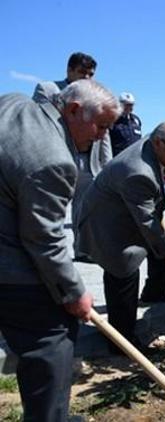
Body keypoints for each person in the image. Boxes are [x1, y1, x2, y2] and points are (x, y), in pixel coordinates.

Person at [0, 79, 118, 420]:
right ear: (73, 110)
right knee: (51, 338)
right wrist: (74, 292)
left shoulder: (13, 103)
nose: (101, 136)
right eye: (101, 126)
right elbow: (44, 240)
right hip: (9, 267)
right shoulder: (54, 160)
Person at [77, 122, 165, 354]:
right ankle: (122, 342)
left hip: (133, 210)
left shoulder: (157, 152)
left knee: (161, 241)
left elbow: (151, 215)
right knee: (124, 269)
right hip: (108, 224)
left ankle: (155, 292)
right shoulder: (138, 171)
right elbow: (147, 222)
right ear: (159, 143)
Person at [33, 51, 113, 262]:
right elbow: (41, 122)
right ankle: (48, 254)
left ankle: (83, 250)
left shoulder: (97, 95)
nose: (86, 78)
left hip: (88, 162)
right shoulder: (49, 90)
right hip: (56, 158)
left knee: (84, 209)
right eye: (82, 73)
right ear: (69, 70)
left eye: (90, 74)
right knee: (51, 207)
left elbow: (104, 134)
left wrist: (109, 165)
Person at [110, 92, 143, 157]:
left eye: (131, 105)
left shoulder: (136, 120)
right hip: (118, 159)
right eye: (126, 105)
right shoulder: (113, 120)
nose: (129, 107)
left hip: (134, 158)